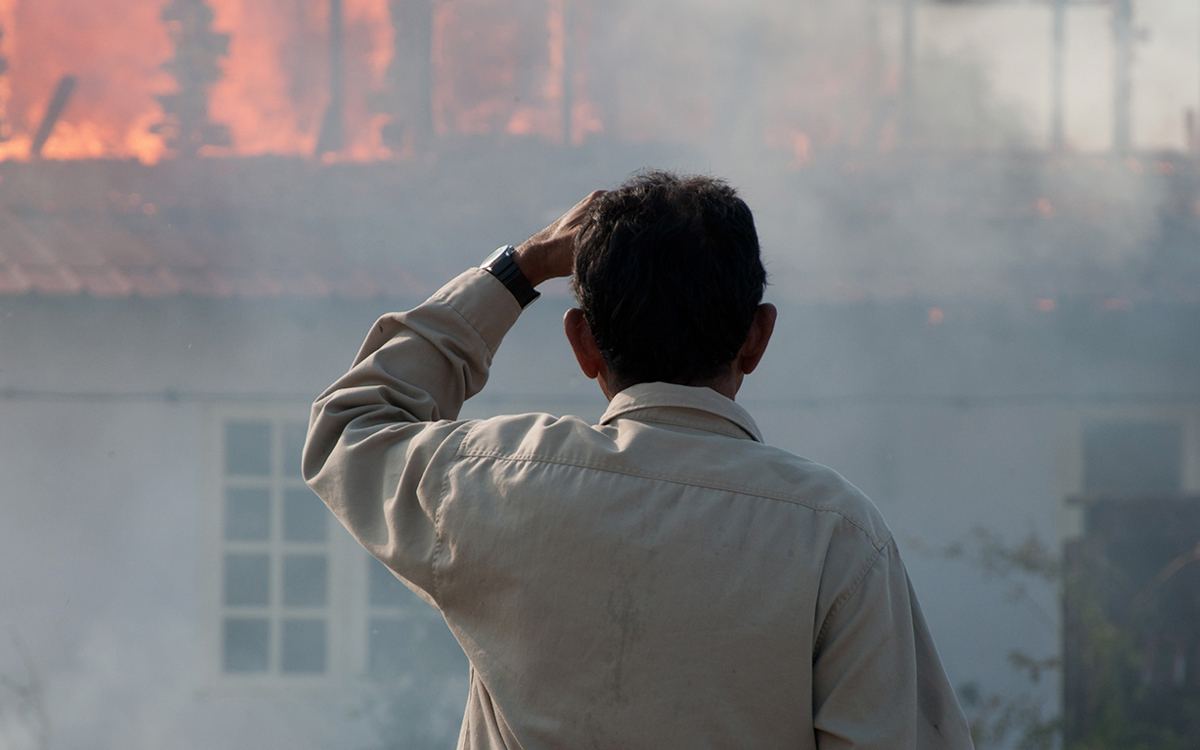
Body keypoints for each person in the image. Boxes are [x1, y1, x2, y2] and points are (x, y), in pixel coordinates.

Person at [303, 172, 974, 749]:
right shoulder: (837, 535)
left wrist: (520, 269)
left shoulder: (495, 482)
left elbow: (353, 423)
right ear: (756, 337)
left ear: (582, 343)